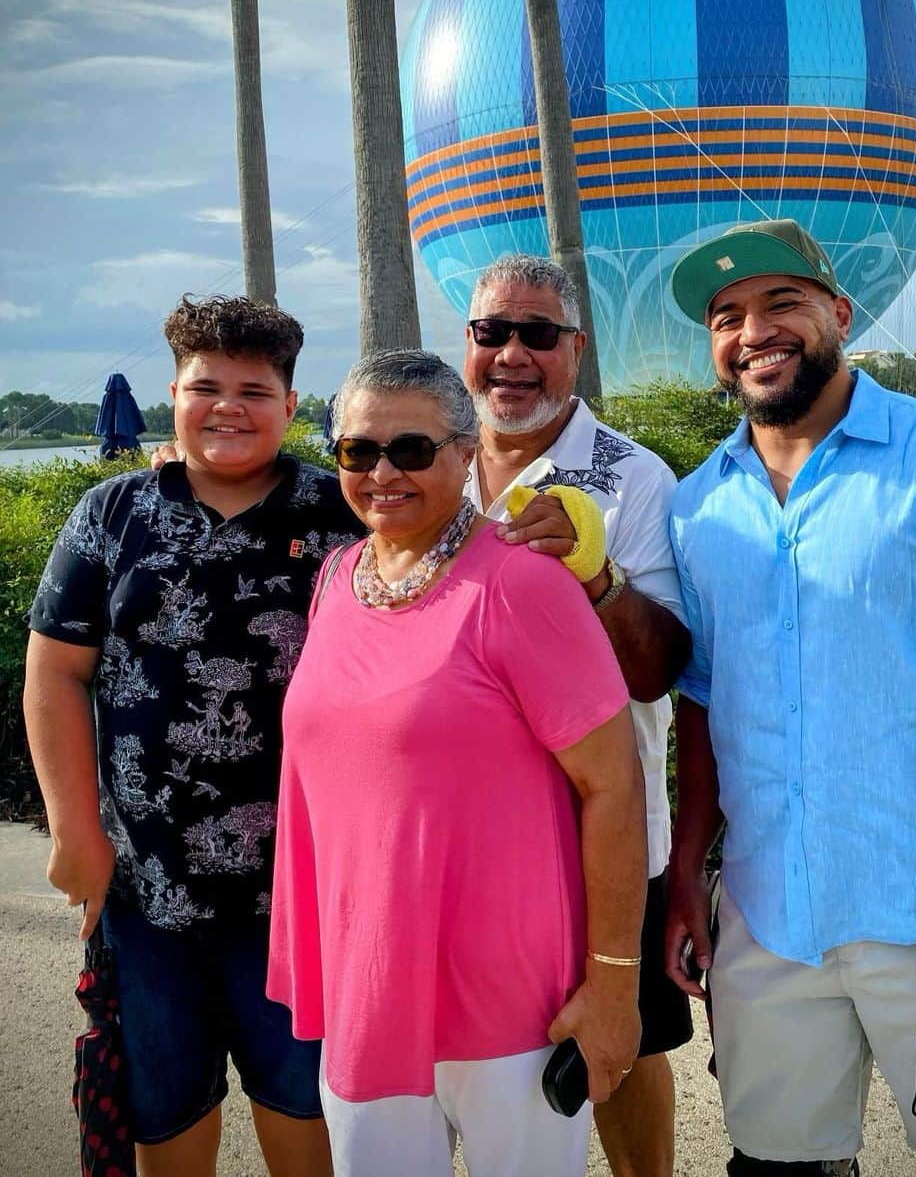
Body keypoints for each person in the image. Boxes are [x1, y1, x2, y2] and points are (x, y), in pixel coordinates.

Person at [662, 217, 916, 1177]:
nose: (753, 330)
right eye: (727, 316)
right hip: (766, 922)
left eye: (781, 303)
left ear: (840, 314)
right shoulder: (698, 506)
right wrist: (690, 875)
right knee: (775, 1166)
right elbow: (704, 708)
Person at [266, 349, 647, 1177]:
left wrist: (613, 985)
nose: (381, 473)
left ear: (468, 453)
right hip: (368, 989)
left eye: (411, 450)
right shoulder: (336, 577)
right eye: (357, 451)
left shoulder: (522, 585)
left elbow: (614, 782)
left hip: (512, 1004)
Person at [24, 296, 362, 1177]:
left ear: (292, 407)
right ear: (174, 391)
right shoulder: (112, 514)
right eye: (206, 386)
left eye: (255, 389)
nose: (228, 407)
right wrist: (74, 834)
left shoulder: (342, 517)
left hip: (305, 895)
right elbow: (56, 673)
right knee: (166, 1121)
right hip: (144, 889)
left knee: (305, 1110)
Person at [462, 254, 693, 1177]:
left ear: (576, 350)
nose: (513, 354)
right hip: (468, 835)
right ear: (467, 343)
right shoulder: (421, 469)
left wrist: (597, 579)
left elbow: (659, 668)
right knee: (478, 1052)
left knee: (623, 1042)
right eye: (493, 332)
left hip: (603, 832)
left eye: (539, 335)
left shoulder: (632, 478)